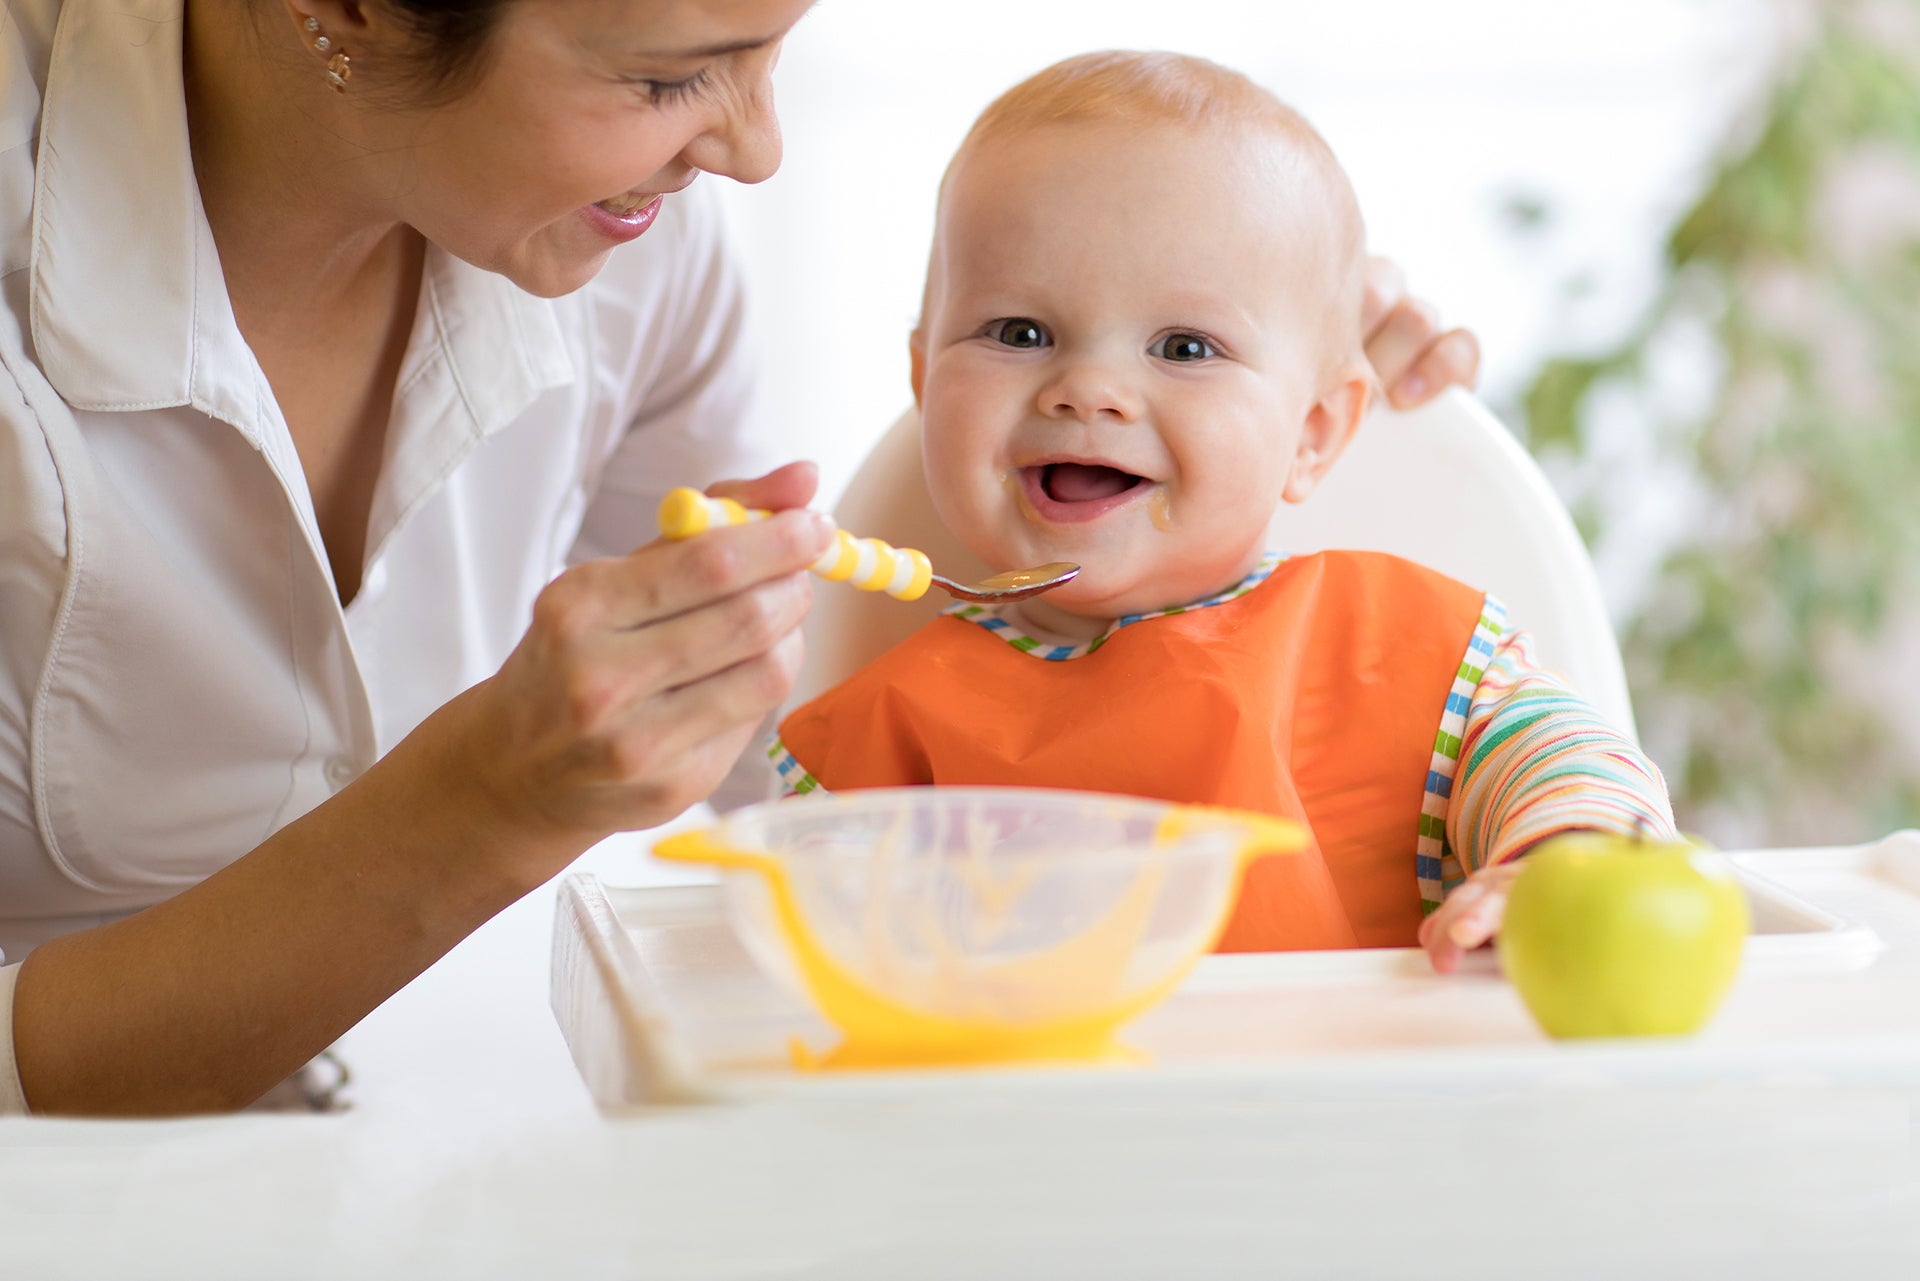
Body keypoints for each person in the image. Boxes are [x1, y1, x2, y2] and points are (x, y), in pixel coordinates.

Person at [0, 2, 1472, 1117]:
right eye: (668, 76)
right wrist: (478, 808)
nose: (754, 151)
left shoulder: (633, 255)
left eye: (775, 47)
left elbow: (772, 779)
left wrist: (1241, 296)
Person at [769, 51, 1675, 965]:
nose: (1088, 389)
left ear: (1314, 430)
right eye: (1021, 333)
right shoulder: (893, 724)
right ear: (927, 382)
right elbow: (809, 970)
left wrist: (1560, 857)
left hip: (1376, 1101)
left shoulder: (1392, 646)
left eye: (1185, 346)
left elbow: (1572, 760)